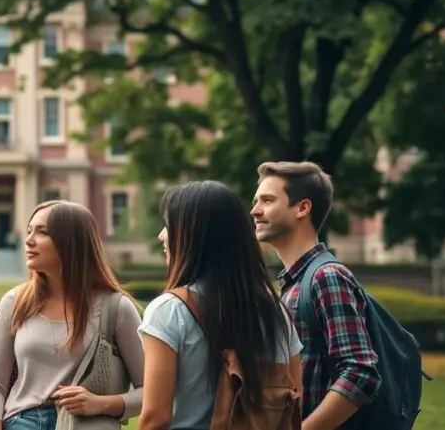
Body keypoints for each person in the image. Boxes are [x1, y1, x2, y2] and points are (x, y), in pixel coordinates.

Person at [137, 180, 303, 430]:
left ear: (193, 236)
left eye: (169, 225)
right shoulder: (276, 311)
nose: (162, 235)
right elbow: (294, 394)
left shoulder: (169, 311)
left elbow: (155, 419)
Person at [0, 200, 145, 430]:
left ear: (72, 242)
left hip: (86, 425)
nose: (28, 240)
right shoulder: (14, 302)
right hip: (23, 422)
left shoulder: (116, 308)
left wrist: (100, 404)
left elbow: (151, 390)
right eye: (29, 231)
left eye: (42, 232)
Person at [251, 161, 380, 429]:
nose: (255, 210)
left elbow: (360, 373)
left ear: (302, 208)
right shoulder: (293, 283)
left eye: (267, 200)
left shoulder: (326, 276)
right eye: (256, 201)